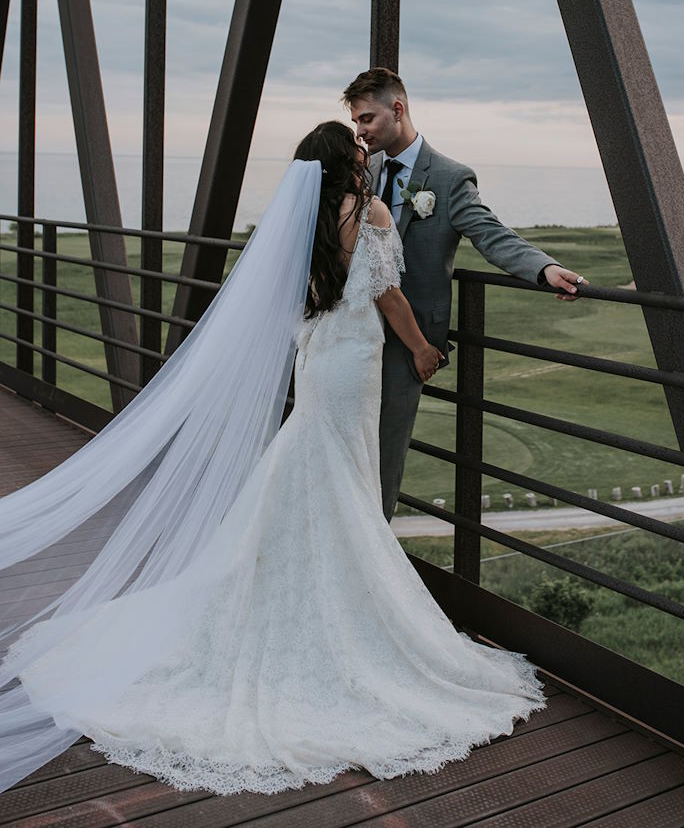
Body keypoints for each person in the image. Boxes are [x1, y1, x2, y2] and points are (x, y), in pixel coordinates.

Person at [0, 121, 546, 798]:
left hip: (316, 355)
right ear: (343, 167)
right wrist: (423, 348)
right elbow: (387, 292)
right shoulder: (368, 210)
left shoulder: (306, 219)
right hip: (352, 361)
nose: (365, 162)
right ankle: (342, 605)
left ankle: (288, 579)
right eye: (357, 156)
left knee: (314, 463)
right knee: (342, 473)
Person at [343, 68, 586, 520]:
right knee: (345, 448)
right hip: (353, 330)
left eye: (367, 119)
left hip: (409, 341)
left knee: (384, 456)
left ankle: (370, 557)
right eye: (357, 122)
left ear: (397, 110)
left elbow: (493, 236)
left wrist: (545, 268)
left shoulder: (451, 178)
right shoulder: (361, 169)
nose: (360, 132)